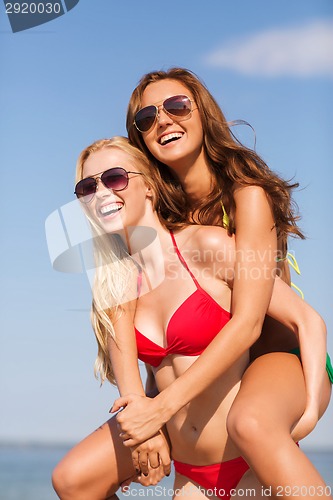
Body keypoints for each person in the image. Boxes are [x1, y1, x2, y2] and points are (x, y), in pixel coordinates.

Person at [52, 137, 331, 500]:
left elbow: (305, 320)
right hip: (191, 475)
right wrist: (145, 434)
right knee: (71, 481)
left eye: (115, 178)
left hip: (248, 460)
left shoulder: (207, 247)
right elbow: (135, 397)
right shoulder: (114, 286)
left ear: (149, 186)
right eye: (87, 187)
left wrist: (308, 414)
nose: (101, 192)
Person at [111, 68, 333, 493]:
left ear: (203, 113)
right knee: (74, 475)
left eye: (176, 105)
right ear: (139, 139)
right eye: (146, 118)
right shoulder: (163, 221)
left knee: (251, 423)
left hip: (283, 357)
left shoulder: (246, 196)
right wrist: (147, 419)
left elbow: (258, 323)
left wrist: (306, 413)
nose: (163, 120)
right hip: (223, 384)